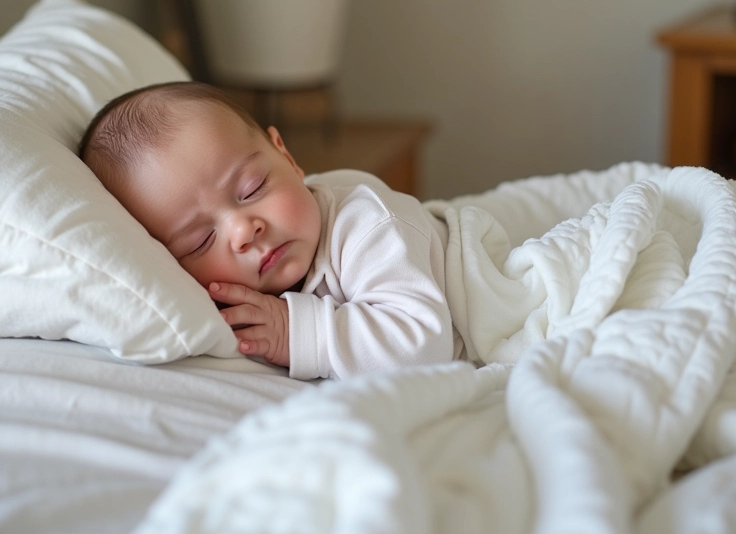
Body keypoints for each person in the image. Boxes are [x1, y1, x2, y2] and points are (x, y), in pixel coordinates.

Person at [79, 81, 459, 380]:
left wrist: (295, 332)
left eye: (252, 188)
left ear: (288, 158)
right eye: (202, 241)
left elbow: (423, 347)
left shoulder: (369, 226)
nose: (244, 230)